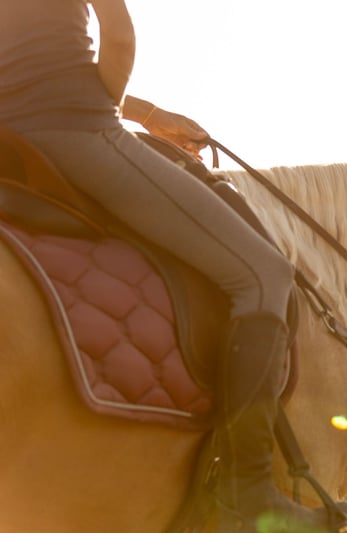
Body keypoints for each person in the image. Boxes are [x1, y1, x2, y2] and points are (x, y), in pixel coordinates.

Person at [0, 0, 325, 530]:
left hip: (10, 142)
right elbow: (118, 37)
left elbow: (29, 67)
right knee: (263, 275)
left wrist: (147, 115)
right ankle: (245, 490)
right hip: (77, 132)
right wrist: (98, 113)